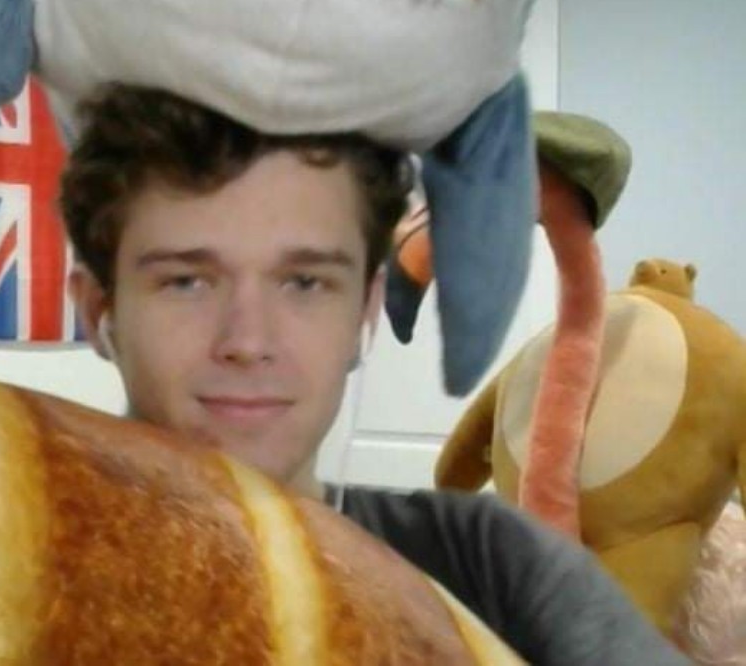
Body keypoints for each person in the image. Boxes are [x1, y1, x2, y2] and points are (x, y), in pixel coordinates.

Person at [59, 83, 690, 666]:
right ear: (98, 310)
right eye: (187, 281)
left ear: (365, 309)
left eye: (305, 282)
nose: (248, 343)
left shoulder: (492, 565)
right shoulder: (21, 561)